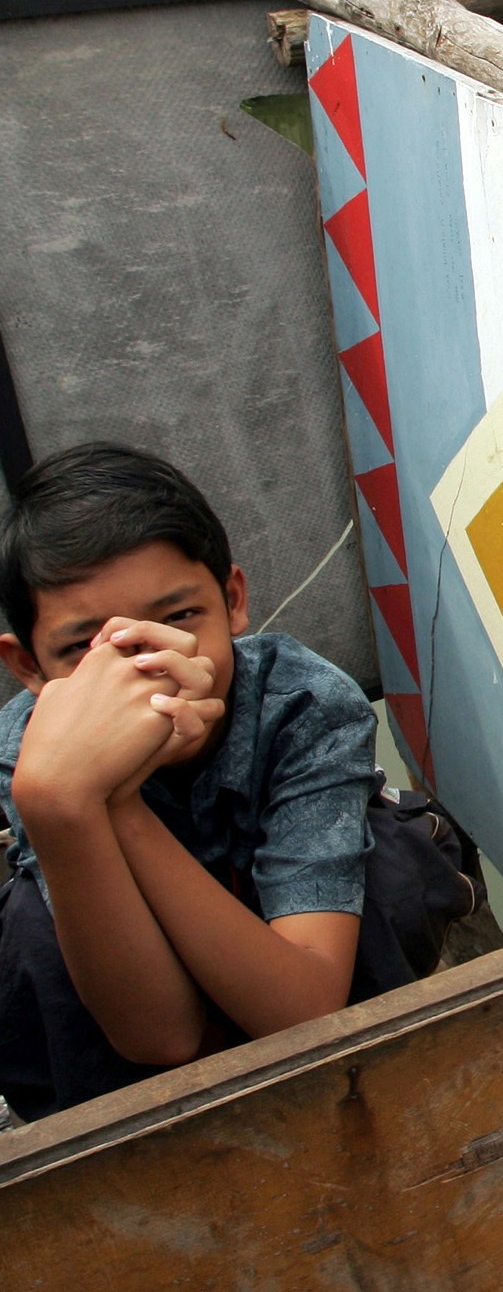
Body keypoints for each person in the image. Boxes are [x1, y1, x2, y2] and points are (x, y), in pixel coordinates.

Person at [0, 443, 378, 1119]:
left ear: (233, 600)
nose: (152, 669)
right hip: (135, 1026)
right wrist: (65, 803)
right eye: (90, 650)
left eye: (177, 620)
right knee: (31, 931)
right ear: (29, 667)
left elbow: (305, 1008)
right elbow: (162, 1037)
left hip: (296, 986)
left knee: (390, 868)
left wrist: (118, 803)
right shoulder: (31, 752)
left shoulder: (304, 705)